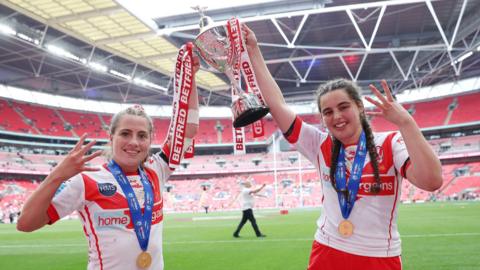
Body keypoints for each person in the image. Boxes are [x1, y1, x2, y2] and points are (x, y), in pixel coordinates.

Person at [242, 25, 443, 269]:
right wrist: (253, 51)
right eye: (327, 112)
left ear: (359, 106)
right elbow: (276, 104)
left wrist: (406, 123)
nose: (336, 116)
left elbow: (431, 181)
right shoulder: (318, 144)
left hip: (379, 257)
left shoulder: (390, 143)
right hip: (327, 251)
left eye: (343, 106)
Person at [16, 55, 200, 270]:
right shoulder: (86, 180)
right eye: (125, 133)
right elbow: (25, 224)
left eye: (142, 135)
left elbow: (188, 130)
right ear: (111, 137)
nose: (133, 142)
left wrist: (191, 78)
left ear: (150, 140)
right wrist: (58, 175)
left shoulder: (157, 169)